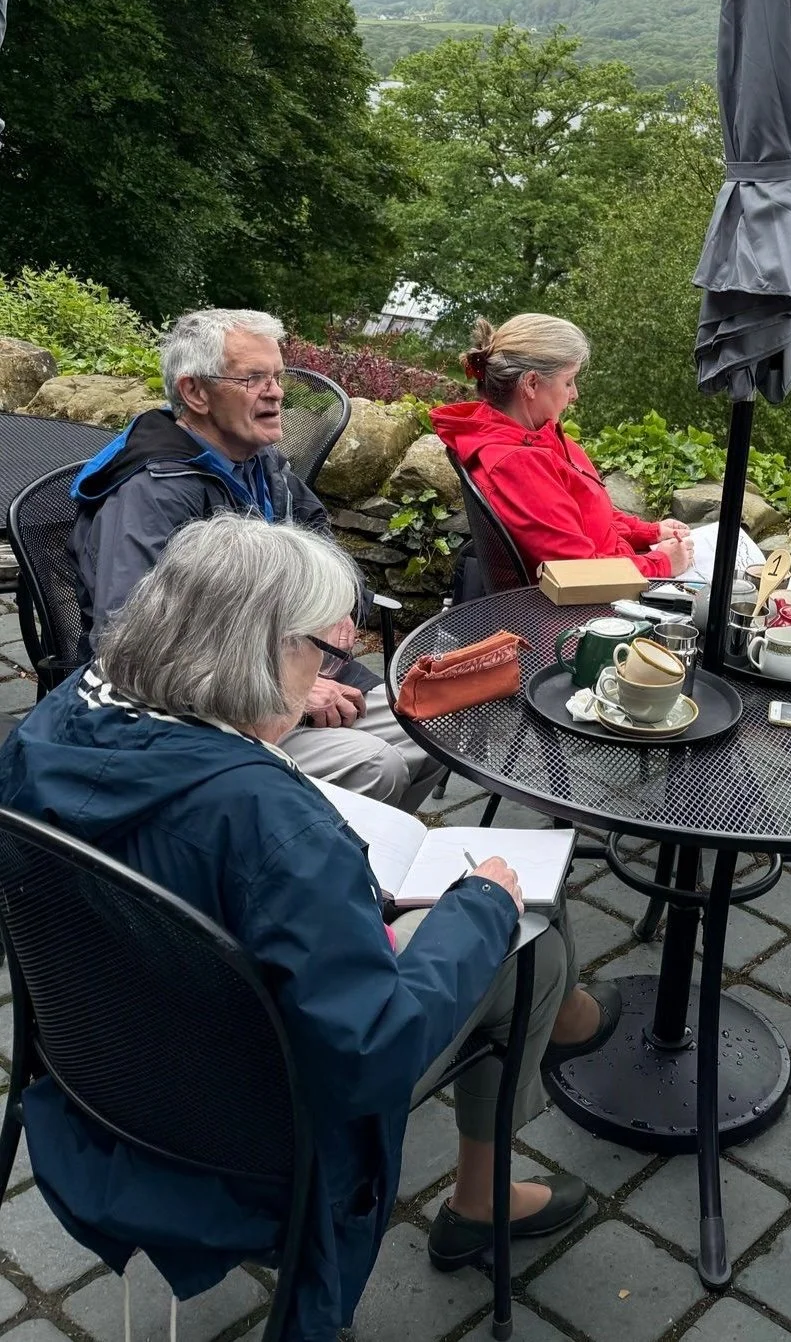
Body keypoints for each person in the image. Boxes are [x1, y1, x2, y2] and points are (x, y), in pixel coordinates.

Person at [0, 517, 621, 1338]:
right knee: (528, 932)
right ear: (254, 651)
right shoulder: (272, 828)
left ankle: (558, 1022)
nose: (327, 670)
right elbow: (372, 1050)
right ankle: (483, 1193)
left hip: (103, 1077)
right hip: (252, 1135)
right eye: (318, 653)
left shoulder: (47, 728)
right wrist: (479, 907)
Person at [68, 307, 438, 809]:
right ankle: (312, 863)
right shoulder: (152, 493)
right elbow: (126, 641)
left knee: (434, 719)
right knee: (376, 765)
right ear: (195, 392)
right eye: (253, 378)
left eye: (278, 376)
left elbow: (321, 548)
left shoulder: (261, 464)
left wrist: (342, 611)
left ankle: (372, 858)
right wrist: (283, 688)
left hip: (292, 660)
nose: (277, 391)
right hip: (205, 709)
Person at [431, 315, 695, 580]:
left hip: (613, 577)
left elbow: (587, 517)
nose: (574, 394)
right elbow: (578, 572)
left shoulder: (533, 437)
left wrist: (650, 532)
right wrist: (661, 564)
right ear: (531, 384)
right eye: (568, 381)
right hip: (594, 603)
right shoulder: (518, 464)